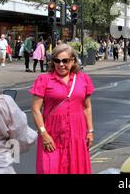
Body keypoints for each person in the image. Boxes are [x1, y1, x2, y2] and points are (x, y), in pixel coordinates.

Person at [30, 44, 95, 174]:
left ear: (73, 61)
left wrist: (90, 131)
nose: (61, 64)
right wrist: (44, 134)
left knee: (76, 169)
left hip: (77, 134)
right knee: (50, 168)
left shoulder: (83, 79)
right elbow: (35, 109)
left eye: (65, 61)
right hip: (52, 134)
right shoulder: (44, 79)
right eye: (57, 61)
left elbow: (87, 107)